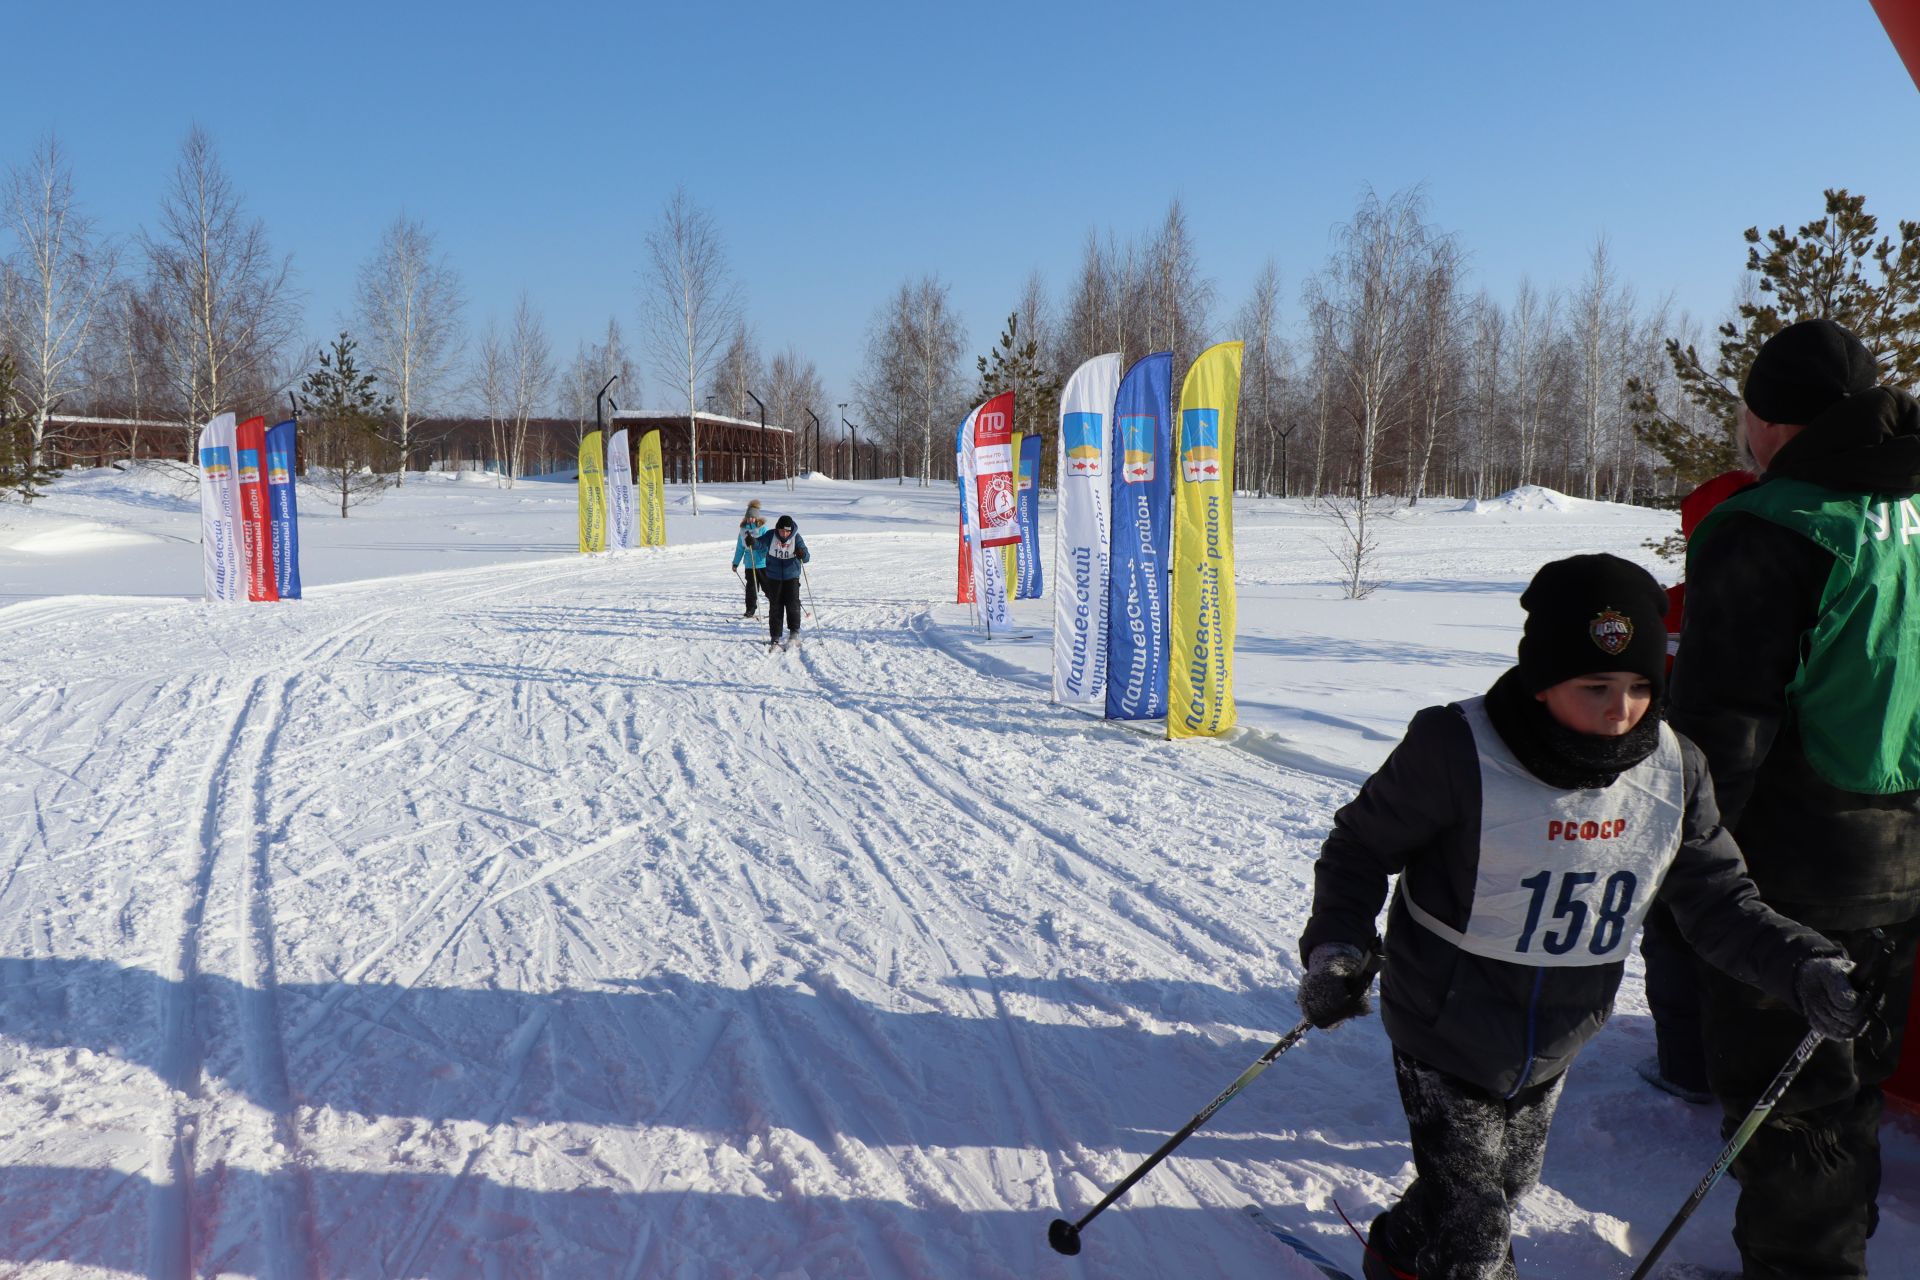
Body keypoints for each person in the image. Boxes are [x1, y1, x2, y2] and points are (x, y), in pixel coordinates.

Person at [1297, 552, 1864, 1280]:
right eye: (1594, 685)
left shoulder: (1675, 768)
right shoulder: (1455, 749)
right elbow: (1358, 849)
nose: (1620, 709)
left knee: (1502, 1187)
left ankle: (1401, 1249)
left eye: (1638, 687)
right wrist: (1339, 947)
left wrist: (1801, 961)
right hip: (1445, 1022)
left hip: (1563, 1026)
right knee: (1477, 1230)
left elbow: (1719, 899)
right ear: (1541, 683)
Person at [1667, 318, 1920, 1279]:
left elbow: (1719, 733)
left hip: (1799, 864)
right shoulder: (1910, 507)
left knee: (1796, 1100)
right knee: (1853, 1075)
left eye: (1748, 410)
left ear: (1771, 421)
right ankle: (1833, 1248)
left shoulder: (1772, 525)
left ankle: (1808, 1268)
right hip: (1903, 853)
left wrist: (1684, 867)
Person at [1639, 467, 1753, 1104]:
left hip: (1678, 789)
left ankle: (1686, 1065)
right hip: (1769, 796)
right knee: (1745, 920)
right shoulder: (1809, 592)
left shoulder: (1672, 605)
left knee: (1678, 921)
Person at [753, 514, 810, 649]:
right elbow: (759, 544)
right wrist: (752, 542)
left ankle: (794, 633)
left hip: (792, 576)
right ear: (777, 528)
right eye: (782, 530)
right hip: (774, 577)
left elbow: (807, 557)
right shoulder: (771, 535)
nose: (784, 534)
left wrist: (802, 554)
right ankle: (775, 636)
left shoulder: (796, 538)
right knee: (775, 606)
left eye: (787, 531)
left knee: (793, 604)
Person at [732, 500, 767, 617]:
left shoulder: (762, 529)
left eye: (752, 517)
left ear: (756, 518)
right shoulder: (743, 531)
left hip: (762, 564)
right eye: (748, 517)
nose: (750, 519)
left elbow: (767, 546)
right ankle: (750, 609)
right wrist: (735, 563)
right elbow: (739, 548)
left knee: (768, 587)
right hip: (749, 564)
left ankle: (776, 607)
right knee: (751, 589)